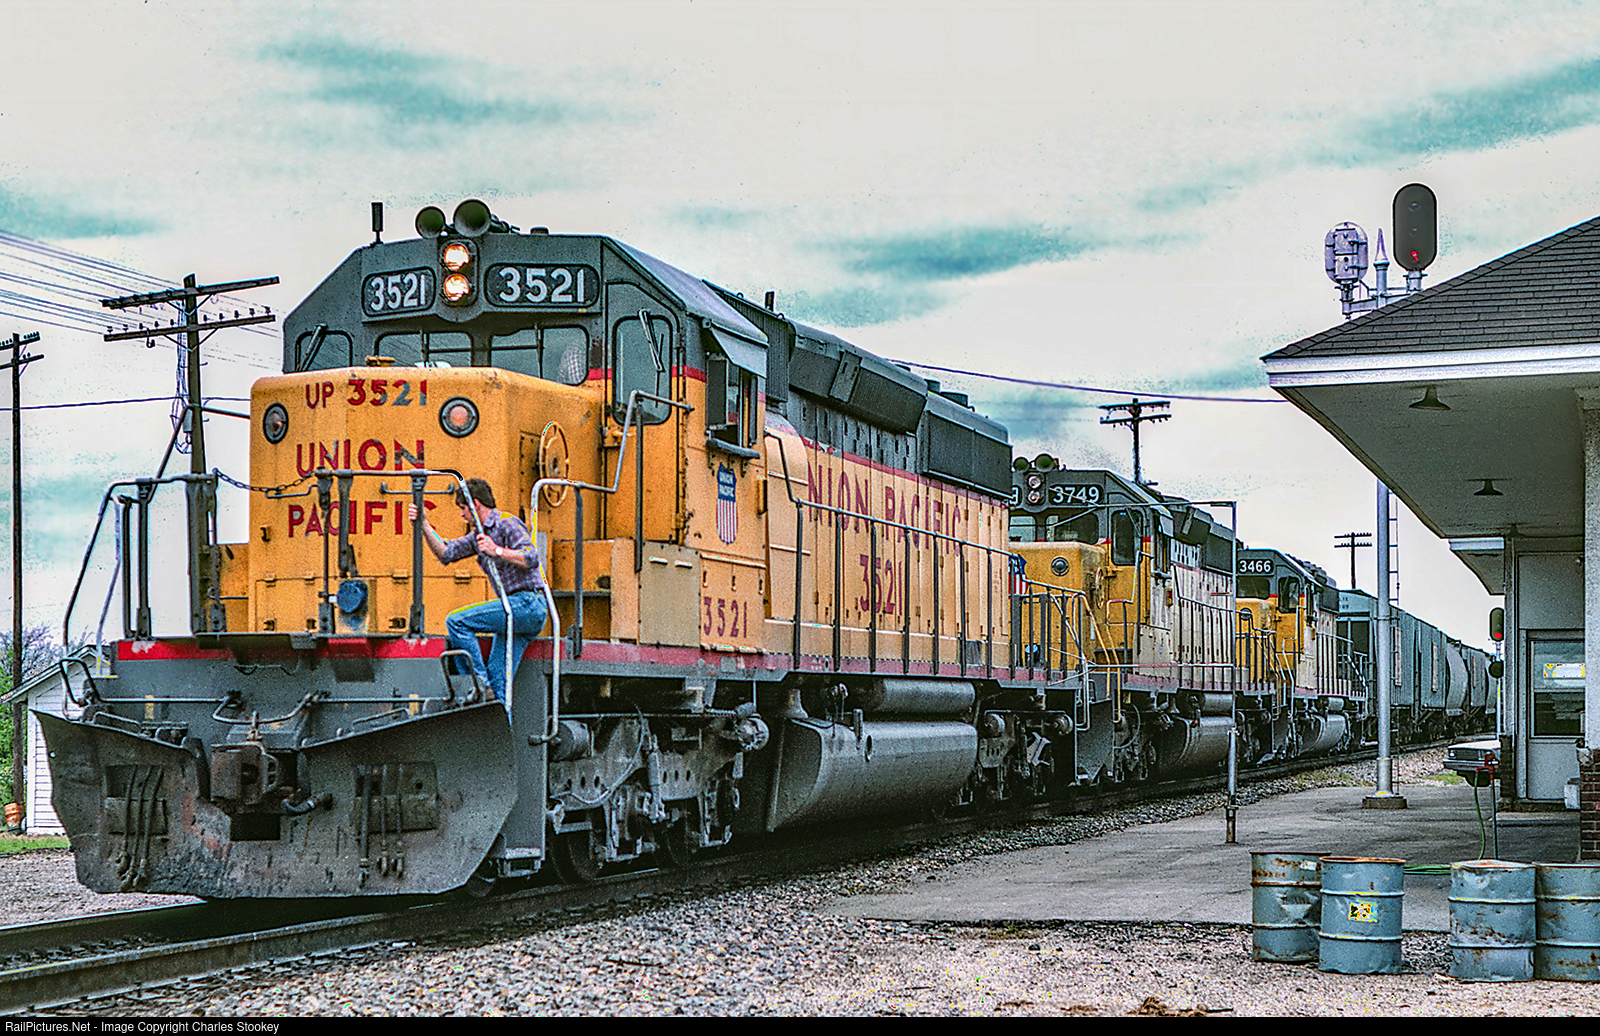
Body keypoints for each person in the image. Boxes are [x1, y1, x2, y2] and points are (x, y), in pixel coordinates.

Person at [408, 478, 548, 705]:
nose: (462, 514)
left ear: (475, 504)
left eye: (463, 508)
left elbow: (531, 557)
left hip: (527, 603)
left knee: (457, 621)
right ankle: (498, 721)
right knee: (499, 680)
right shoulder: (478, 536)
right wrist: (423, 524)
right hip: (515, 610)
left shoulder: (507, 523)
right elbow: (446, 553)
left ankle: (478, 683)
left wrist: (497, 550)